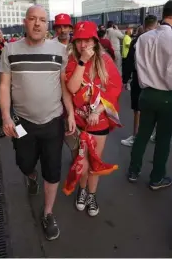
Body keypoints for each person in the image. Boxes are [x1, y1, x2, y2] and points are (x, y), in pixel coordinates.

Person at [0, 5, 76, 241]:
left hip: (53, 121)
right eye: (33, 19)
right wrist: (5, 116)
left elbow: (63, 85)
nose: (37, 24)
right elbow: (4, 85)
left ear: (47, 24)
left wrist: (70, 112)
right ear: (25, 22)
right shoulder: (10, 50)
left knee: (52, 170)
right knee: (24, 163)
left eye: (42, 20)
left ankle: (48, 212)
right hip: (23, 123)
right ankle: (31, 177)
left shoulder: (60, 51)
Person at [127, 0, 172, 189]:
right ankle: (156, 178)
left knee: (142, 135)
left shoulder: (143, 38)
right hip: (169, 96)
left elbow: (138, 65)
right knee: (163, 139)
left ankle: (133, 170)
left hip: (147, 94)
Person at [64, 21, 122, 217]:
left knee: (95, 161)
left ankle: (92, 194)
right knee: (83, 161)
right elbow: (72, 88)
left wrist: (97, 110)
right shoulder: (73, 61)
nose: (83, 45)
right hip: (80, 122)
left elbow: (114, 89)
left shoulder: (105, 61)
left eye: (87, 40)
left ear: (95, 41)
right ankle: (82, 190)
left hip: (100, 121)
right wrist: (81, 61)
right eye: (79, 41)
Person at [121, 15, 158, 147]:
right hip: (156, 79)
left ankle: (136, 136)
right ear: (156, 24)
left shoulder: (137, 41)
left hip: (140, 77)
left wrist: (125, 80)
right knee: (154, 107)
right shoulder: (161, 40)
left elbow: (129, 62)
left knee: (138, 109)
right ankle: (155, 133)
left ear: (143, 25)